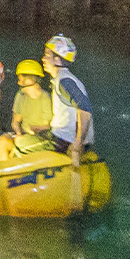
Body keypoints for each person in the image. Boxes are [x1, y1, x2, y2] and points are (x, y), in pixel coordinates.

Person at [41, 34, 95, 167]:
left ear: (57, 60)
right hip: (62, 136)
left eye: (47, 55)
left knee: (21, 145)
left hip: (64, 140)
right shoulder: (62, 78)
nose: (43, 59)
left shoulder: (65, 82)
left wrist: (77, 143)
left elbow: (85, 109)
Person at [0, 59, 53, 160]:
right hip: (23, 136)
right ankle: (4, 174)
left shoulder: (45, 98)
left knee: (19, 143)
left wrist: (38, 128)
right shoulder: (20, 95)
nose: (19, 80)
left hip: (41, 139)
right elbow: (15, 121)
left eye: (22, 76)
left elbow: (51, 126)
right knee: (1, 141)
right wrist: (18, 133)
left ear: (31, 78)